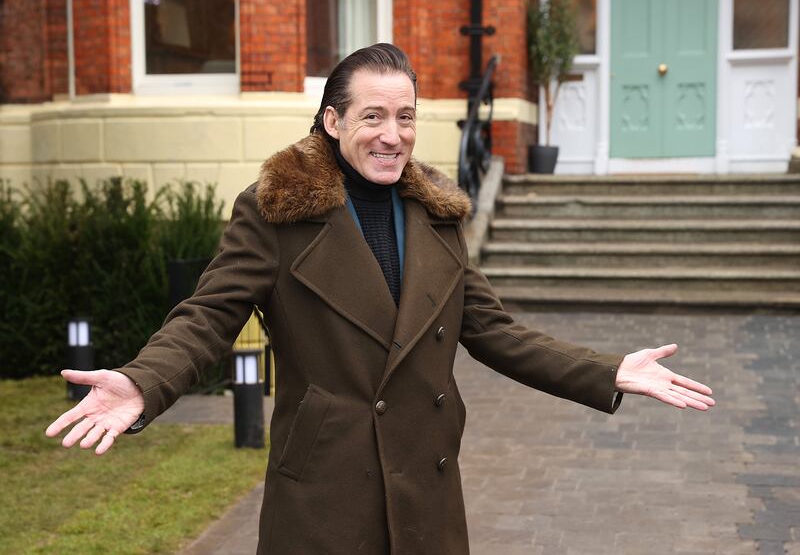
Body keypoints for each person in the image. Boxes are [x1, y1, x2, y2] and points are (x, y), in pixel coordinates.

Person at [45, 43, 714, 554]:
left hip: (428, 494)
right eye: (373, 116)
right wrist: (144, 382)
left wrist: (608, 371)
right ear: (333, 120)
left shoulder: (438, 215)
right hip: (324, 499)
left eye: (405, 116)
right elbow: (209, 314)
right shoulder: (275, 212)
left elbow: (496, 332)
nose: (392, 134)